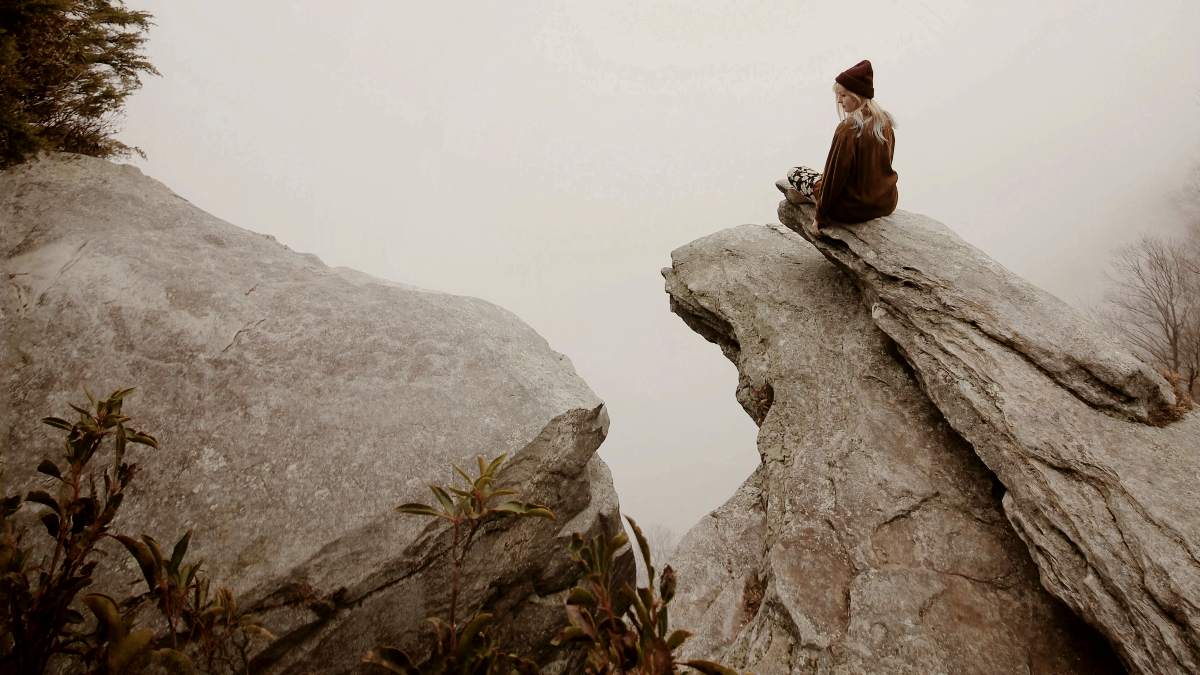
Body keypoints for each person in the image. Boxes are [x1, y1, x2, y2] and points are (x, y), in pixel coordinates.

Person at [776, 60, 898, 234]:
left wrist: (820, 217)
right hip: (885, 203)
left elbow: (836, 177)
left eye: (844, 95)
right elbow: (883, 167)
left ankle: (811, 197)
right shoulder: (884, 123)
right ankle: (813, 193)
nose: (839, 101)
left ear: (857, 95)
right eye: (838, 96)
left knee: (795, 173)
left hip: (851, 209)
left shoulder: (848, 129)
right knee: (824, 177)